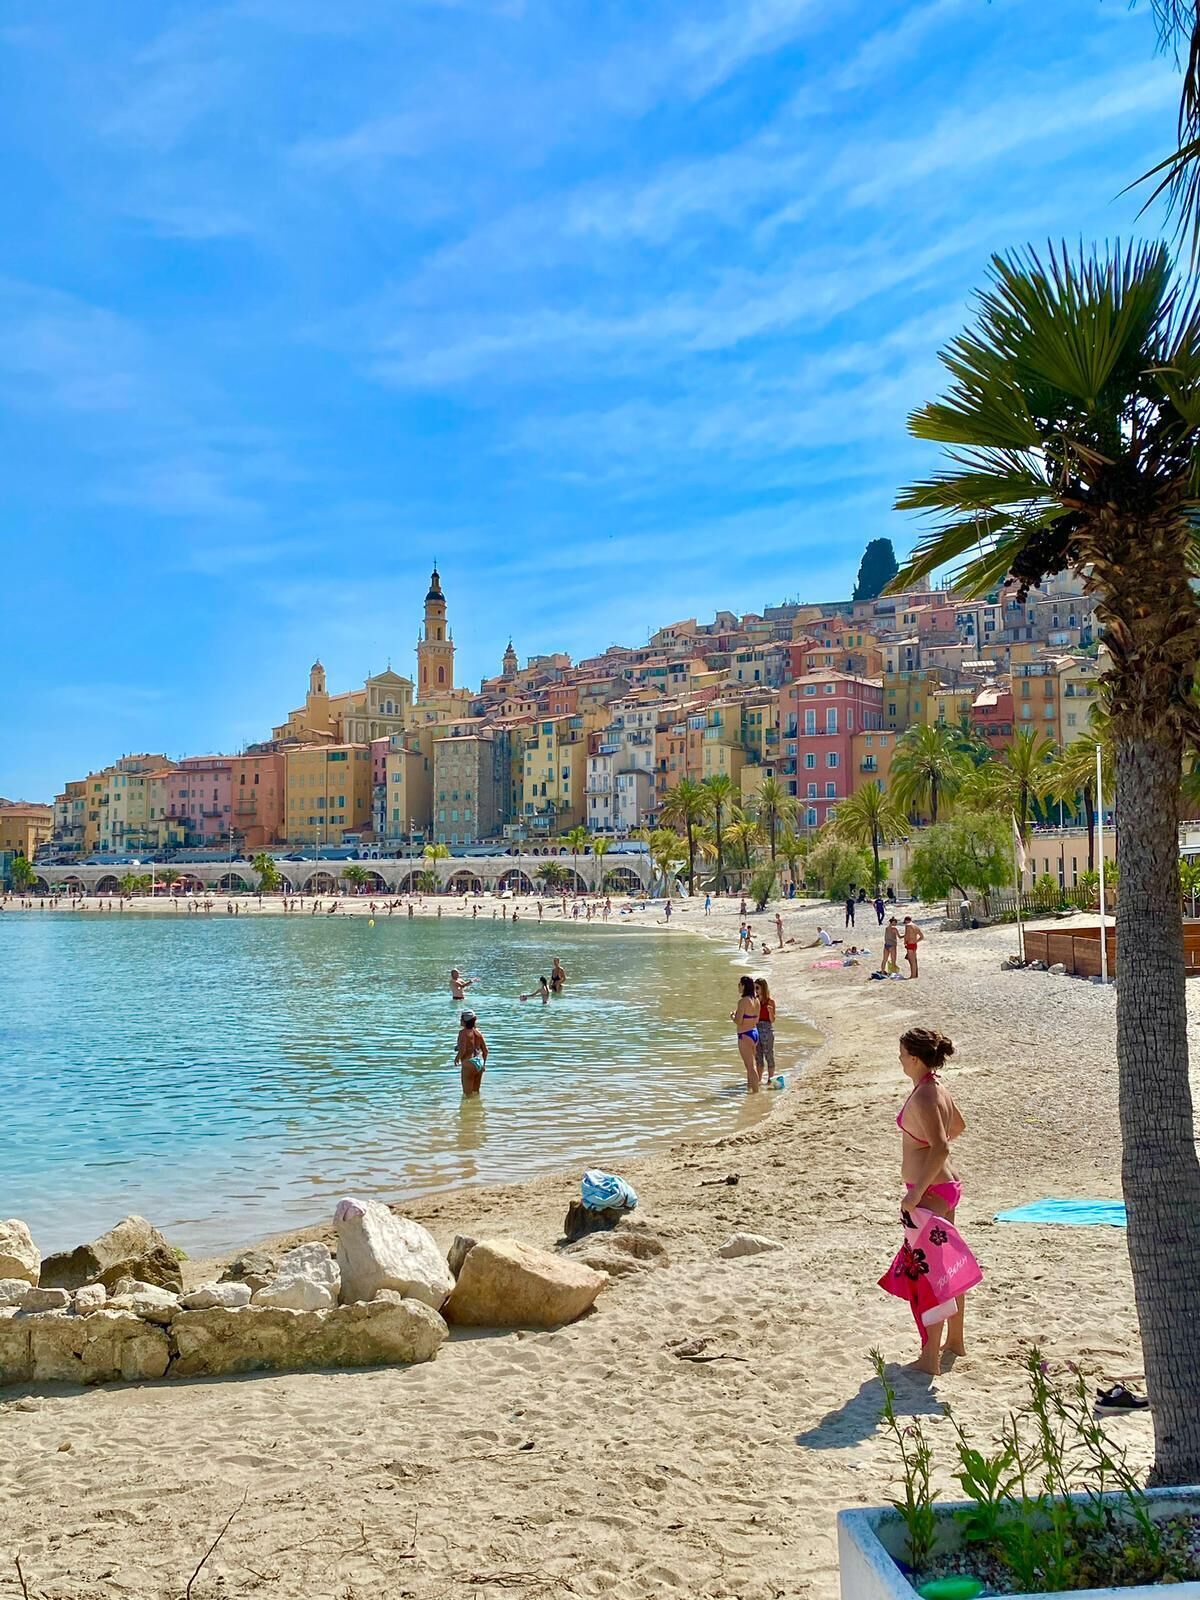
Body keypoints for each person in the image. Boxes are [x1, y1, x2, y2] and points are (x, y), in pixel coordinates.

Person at [891, 1026, 973, 1374]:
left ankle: (931, 1357)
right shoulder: (935, 1087)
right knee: (946, 1266)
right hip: (944, 1188)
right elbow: (958, 1125)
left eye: (901, 1054)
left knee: (930, 1274)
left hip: (931, 1192)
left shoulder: (925, 1095)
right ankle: (955, 1341)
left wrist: (915, 1191)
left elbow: (942, 1145)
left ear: (914, 1058)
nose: (898, 1060)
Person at [731, 975, 761, 1092]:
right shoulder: (756, 1000)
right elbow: (756, 1020)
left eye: (739, 985)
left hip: (745, 1034)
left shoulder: (742, 1001)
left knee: (750, 1066)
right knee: (750, 1065)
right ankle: (750, 1089)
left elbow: (739, 1021)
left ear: (743, 986)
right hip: (754, 1033)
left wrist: (732, 1016)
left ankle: (756, 1092)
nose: (738, 987)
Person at [455, 1009, 488, 1097]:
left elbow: (463, 1050)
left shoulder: (463, 1033)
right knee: (476, 1092)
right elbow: (485, 1051)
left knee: (467, 1095)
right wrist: (484, 1064)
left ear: (464, 1021)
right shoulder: (478, 1033)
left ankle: (469, 1109)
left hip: (468, 1063)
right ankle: (477, 1109)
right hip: (479, 1062)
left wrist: (457, 1058)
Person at [753, 978, 776, 1085]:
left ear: (763, 988)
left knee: (769, 1054)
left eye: (757, 988)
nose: (755, 990)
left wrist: (770, 1012)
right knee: (758, 1056)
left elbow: (772, 1020)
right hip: (756, 1028)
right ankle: (759, 1079)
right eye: (754, 988)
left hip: (766, 1028)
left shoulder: (770, 1001)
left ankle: (770, 1079)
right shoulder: (754, 1001)